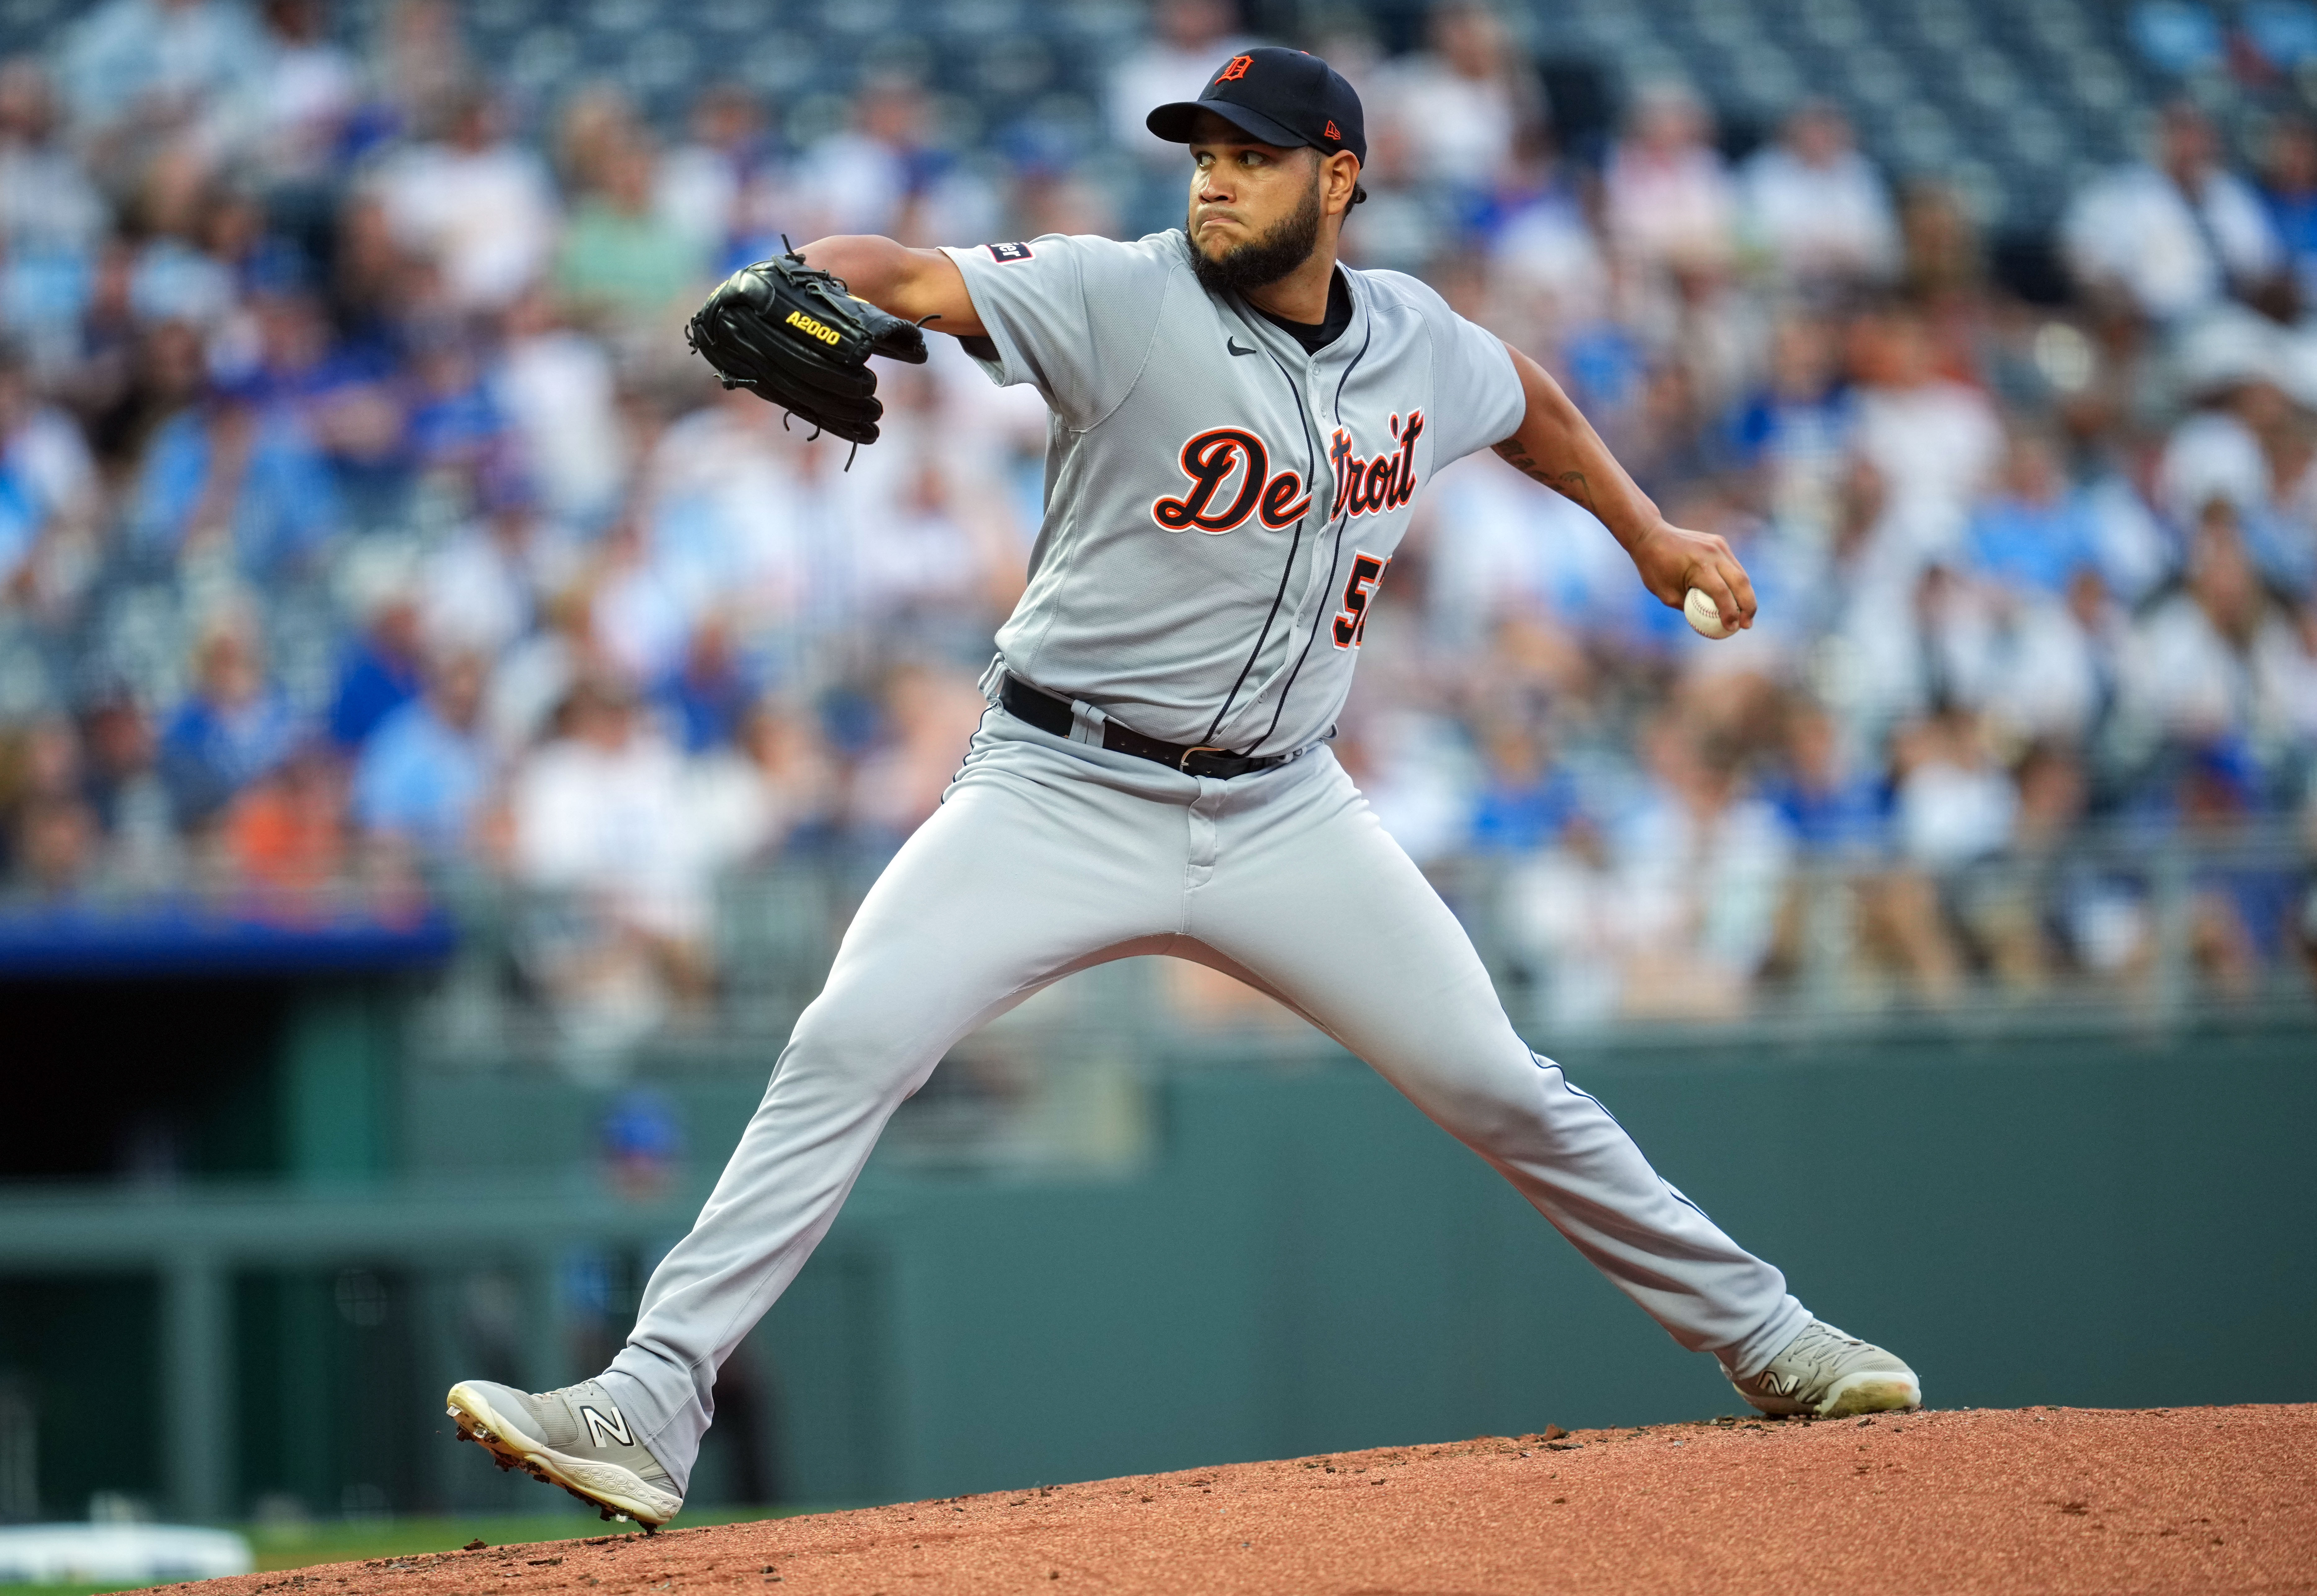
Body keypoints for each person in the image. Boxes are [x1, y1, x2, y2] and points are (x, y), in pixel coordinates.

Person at [443, 48, 1920, 1528]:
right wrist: (802, 273)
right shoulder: (1118, 293)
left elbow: (1518, 393)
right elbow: (907, 272)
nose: (1215, 176)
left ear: (1338, 177)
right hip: (1056, 784)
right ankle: (648, 1396)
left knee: (1494, 1081)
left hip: (1288, 808)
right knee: (849, 1039)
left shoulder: (1413, 335)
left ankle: (1769, 1336)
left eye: (1253, 155)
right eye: (1202, 151)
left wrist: (1647, 531)